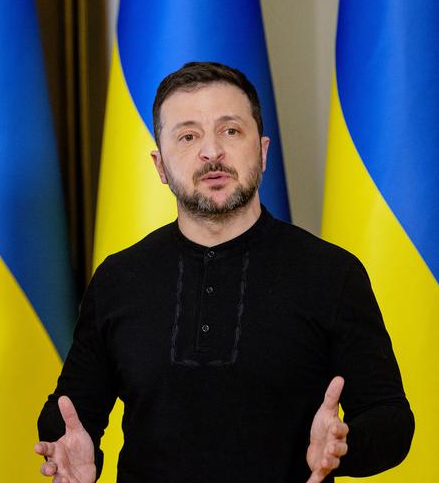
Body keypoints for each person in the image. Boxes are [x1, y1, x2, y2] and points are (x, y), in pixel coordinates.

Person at [35, 62, 413, 482]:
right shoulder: (118, 279)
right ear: (160, 166)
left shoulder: (332, 273)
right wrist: (66, 448)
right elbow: (72, 414)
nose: (211, 151)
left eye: (230, 131)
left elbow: (391, 419)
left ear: (263, 151)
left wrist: (344, 446)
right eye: (188, 136)